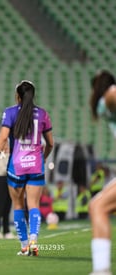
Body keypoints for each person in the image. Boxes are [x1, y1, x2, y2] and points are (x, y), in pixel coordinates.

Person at [0, 80, 54, 256]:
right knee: (34, 204)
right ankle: (33, 239)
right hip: (36, 166)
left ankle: (24, 246)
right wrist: (43, 158)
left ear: (17, 96)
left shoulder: (10, 112)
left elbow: (2, 140)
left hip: (16, 167)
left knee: (17, 204)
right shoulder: (42, 114)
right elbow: (51, 144)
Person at [88, 70, 116, 274]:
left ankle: (101, 270)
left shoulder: (107, 98)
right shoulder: (105, 103)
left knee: (98, 207)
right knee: (96, 205)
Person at [0, 141, 14, 239]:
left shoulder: (10, 154)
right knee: (0, 207)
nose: (6, 146)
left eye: (7, 144)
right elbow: (3, 169)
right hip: (1, 180)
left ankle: (6, 231)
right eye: (4, 144)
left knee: (7, 208)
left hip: (10, 181)